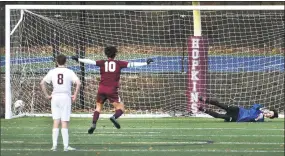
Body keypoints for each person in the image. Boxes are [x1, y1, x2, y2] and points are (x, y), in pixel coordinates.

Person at [71, 46, 154, 134]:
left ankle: (93, 124)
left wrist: (78, 59)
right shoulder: (119, 63)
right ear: (115, 54)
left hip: (101, 89)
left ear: (106, 54)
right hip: (112, 90)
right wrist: (146, 63)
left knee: (98, 108)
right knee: (121, 108)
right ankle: (114, 117)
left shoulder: (102, 63)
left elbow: (91, 62)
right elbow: (132, 64)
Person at [40, 54, 81, 151]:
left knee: (56, 121)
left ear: (56, 62)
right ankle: (65, 146)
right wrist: (75, 94)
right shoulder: (69, 72)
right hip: (65, 97)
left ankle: (54, 146)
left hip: (55, 97)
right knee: (64, 121)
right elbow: (78, 83)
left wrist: (47, 95)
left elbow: (42, 83)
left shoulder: (52, 71)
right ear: (65, 62)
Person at [198, 96, 278, 122]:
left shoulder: (261, 119)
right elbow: (254, 106)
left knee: (219, 116)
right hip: (238, 110)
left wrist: (256, 118)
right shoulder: (259, 108)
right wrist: (261, 109)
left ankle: (202, 109)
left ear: (269, 117)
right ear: (268, 110)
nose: (268, 114)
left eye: (270, 115)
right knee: (221, 105)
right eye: (269, 112)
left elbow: (251, 119)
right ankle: (204, 100)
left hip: (237, 118)